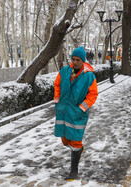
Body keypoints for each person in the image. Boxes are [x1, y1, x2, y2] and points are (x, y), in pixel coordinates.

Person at [53, 46, 98, 181]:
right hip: (63, 111)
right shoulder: (64, 71)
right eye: (73, 59)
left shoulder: (89, 75)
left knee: (75, 140)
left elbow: (93, 94)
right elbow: (57, 85)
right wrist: (57, 101)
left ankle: (74, 171)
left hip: (78, 113)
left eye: (78, 59)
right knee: (65, 140)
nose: (75, 62)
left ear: (83, 61)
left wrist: (82, 108)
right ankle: (78, 150)